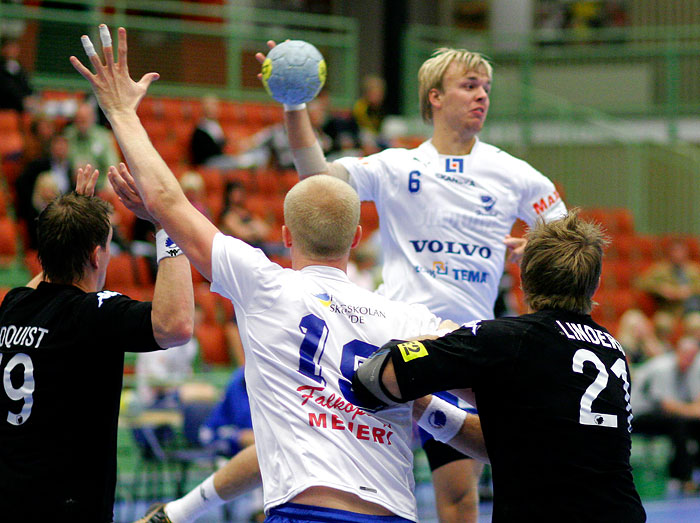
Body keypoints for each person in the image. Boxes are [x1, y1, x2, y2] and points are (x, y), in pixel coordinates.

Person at [71, 26, 465, 523]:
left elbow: (169, 200)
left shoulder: (264, 284)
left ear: (283, 231)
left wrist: (122, 112)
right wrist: (429, 405)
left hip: (306, 512)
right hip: (394, 514)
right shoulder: (408, 317)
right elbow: (482, 383)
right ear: (356, 234)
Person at [259, 42, 568, 522]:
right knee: (353, 474)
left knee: (460, 498)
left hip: (463, 351)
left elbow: (569, 236)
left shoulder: (514, 173)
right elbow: (316, 176)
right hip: (393, 346)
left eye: (486, 87)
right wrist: (294, 103)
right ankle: (196, 504)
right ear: (435, 98)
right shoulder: (398, 165)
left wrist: (542, 247)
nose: (482, 95)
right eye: (469, 86)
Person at [353, 210, 647, 522]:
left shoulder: (508, 339)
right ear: (596, 283)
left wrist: (443, 337)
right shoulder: (611, 349)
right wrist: (426, 408)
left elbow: (377, 375)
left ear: (523, 279)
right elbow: (518, 440)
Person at [0, 164, 194, 521]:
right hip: (67, 507)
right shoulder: (92, 314)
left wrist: (73, 219)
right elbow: (176, 325)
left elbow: (53, 264)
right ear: (95, 255)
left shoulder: (15, 304)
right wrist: (167, 226)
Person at [631, 335, 700, 492]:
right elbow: (668, 406)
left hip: (669, 414)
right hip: (640, 413)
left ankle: (688, 472)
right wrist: (694, 411)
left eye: (692, 356)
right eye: (686, 355)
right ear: (678, 352)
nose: (689, 360)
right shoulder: (662, 368)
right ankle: (684, 478)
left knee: (690, 425)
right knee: (678, 425)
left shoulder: (693, 368)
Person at [636, 239, 700, 316]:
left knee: (696, 322)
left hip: (691, 310)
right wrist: (661, 288)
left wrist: (689, 290)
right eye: (675, 251)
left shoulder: (694, 270)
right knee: (662, 322)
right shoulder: (660, 269)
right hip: (667, 310)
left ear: (686, 253)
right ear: (669, 253)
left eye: (680, 251)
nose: (677, 254)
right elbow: (641, 283)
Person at [63, 101, 121, 187]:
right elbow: (60, 163)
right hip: (71, 184)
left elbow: (112, 165)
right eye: (79, 119)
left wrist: (107, 185)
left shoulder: (104, 136)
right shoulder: (68, 135)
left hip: (98, 186)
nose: (81, 122)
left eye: (85, 119)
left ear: (93, 118)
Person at [0, 37, 34, 112]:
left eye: (14, 47)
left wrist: (30, 97)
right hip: (6, 105)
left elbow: (27, 86)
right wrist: (22, 98)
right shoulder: (1, 67)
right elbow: (7, 86)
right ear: (3, 49)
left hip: (22, 105)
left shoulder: (21, 69)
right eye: (10, 47)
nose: (13, 50)